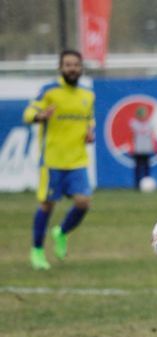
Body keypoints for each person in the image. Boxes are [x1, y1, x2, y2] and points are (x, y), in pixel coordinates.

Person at [23, 50, 95, 270]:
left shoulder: (87, 95)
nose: (72, 68)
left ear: (81, 68)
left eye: (75, 65)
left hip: (77, 160)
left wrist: (90, 132)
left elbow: (89, 121)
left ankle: (61, 232)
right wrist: (40, 116)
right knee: (46, 206)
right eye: (67, 65)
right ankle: (36, 251)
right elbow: (28, 113)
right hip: (52, 161)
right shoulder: (49, 92)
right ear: (60, 68)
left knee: (83, 203)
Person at [129, 105, 157, 190]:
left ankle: (147, 184)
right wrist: (131, 147)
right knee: (138, 168)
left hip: (147, 149)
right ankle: (137, 185)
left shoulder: (150, 124)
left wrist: (156, 146)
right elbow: (130, 137)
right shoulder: (133, 123)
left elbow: (152, 136)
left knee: (146, 168)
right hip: (137, 149)